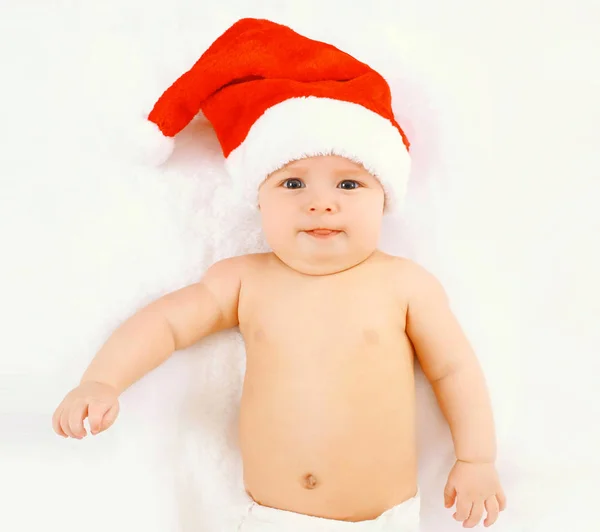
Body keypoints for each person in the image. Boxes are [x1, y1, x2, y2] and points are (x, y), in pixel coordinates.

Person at [52, 18, 506, 531]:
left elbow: (454, 371)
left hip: (382, 518)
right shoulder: (245, 280)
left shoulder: (403, 284)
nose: (321, 204)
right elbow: (165, 324)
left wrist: (476, 459)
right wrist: (102, 380)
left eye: (350, 185)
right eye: (292, 183)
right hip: (269, 518)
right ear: (259, 201)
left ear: (386, 198)